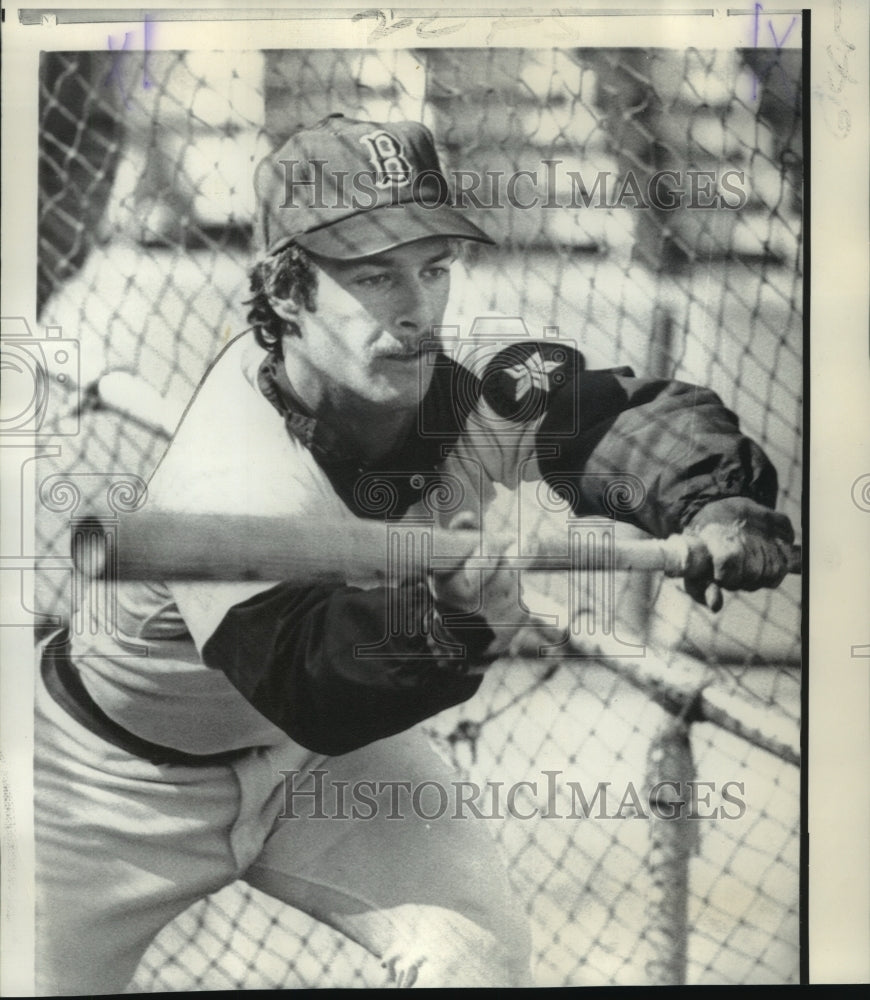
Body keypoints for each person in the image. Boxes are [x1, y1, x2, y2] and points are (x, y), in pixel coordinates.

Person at [34, 113, 796, 994]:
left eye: (432, 268)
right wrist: (453, 621)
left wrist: (718, 500)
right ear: (287, 291)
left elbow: (606, 420)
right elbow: (309, 680)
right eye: (372, 276)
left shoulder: (458, 377)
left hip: (313, 772)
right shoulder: (230, 470)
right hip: (105, 789)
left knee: (477, 958)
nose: (415, 308)